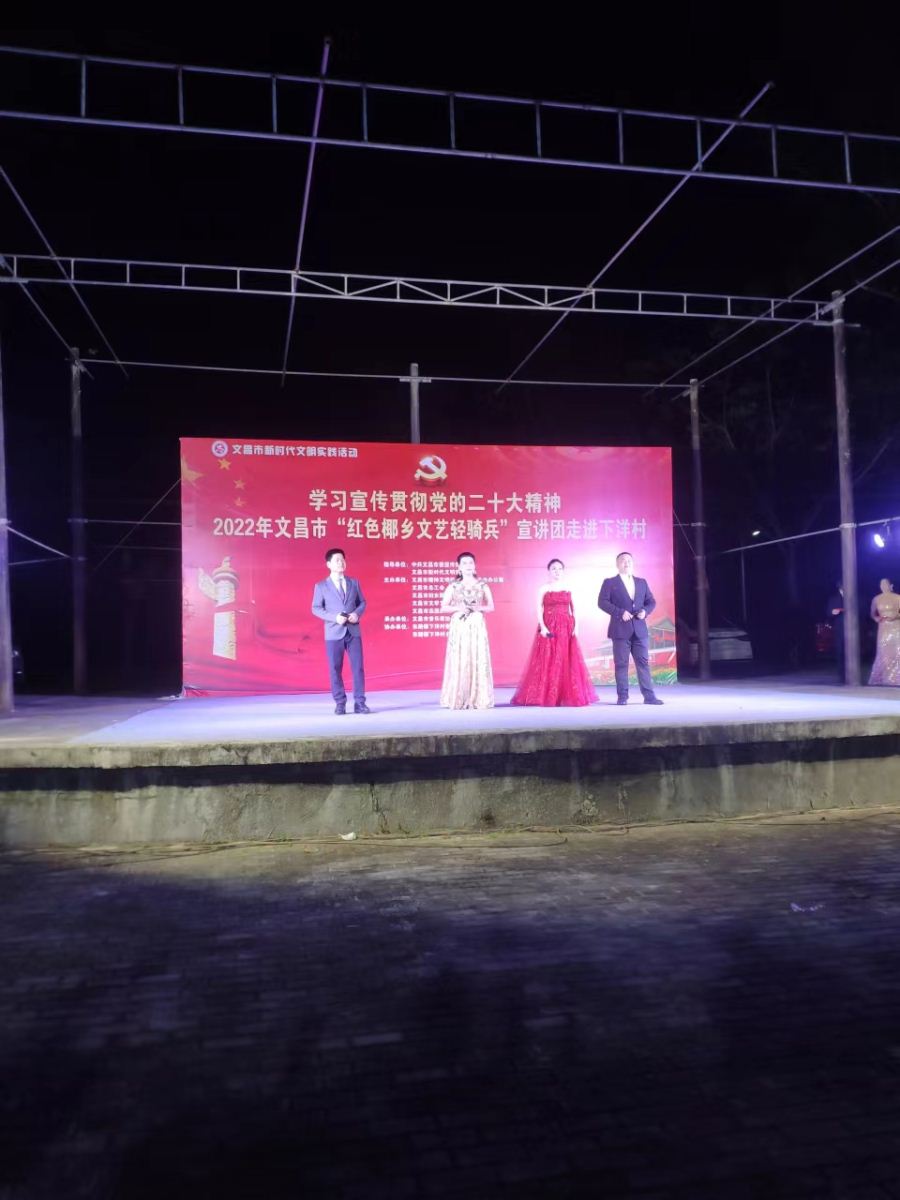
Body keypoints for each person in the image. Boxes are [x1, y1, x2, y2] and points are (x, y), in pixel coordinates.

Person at [511, 558, 597, 706]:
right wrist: (543, 627)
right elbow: (539, 609)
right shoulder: (543, 589)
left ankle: (564, 695)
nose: (557, 571)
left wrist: (576, 627)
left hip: (566, 627)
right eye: (553, 569)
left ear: (563, 571)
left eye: (559, 569)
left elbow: (575, 609)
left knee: (565, 660)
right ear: (549, 571)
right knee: (548, 660)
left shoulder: (569, 588)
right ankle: (548, 695)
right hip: (549, 627)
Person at [598, 551, 663, 705]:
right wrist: (619, 612)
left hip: (640, 630)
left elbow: (651, 602)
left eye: (629, 560)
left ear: (633, 563)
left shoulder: (641, 582)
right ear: (617, 564)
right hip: (620, 630)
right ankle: (622, 697)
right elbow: (602, 602)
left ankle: (649, 696)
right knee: (621, 664)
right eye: (623, 560)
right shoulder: (610, 582)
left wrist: (645, 611)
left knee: (643, 663)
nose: (626, 563)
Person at [311, 548, 370, 714]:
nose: (341, 562)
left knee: (358, 668)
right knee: (335, 669)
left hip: (353, 632)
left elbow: (362, 602)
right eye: (337, 560)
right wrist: (334, 618)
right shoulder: (321, 586)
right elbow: (316, 608)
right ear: (328, 564)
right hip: (333, 633)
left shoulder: (354, 583)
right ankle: (340, 703)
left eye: (343, 559)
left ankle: (360, 703)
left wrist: (356, 614)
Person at [439, 551, 495, 709]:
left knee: (478, 658)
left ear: (475, 565)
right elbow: (443, 607)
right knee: (460, 658)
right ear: (459, 567)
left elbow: (491, 606)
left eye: (471, 562)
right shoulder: (453, 586)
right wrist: (459, 608)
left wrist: (478, 608)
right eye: (464, 563)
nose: (468, 566)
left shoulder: (483, 585)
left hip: (477, 624)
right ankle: (458, 696)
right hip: (460, 625)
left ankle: (479, 697)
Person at [868, 578, 900, 686]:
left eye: (885, 584)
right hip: (883, 628)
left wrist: (896, 616)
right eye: (881, 584)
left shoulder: (898, 597)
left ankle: (897, 678)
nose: (883, 586)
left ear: (891, 585)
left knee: (897, 652)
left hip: (896, 627)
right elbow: (872, 614)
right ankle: (884, 678)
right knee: (884, 652)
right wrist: (876, 618)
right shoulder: (876, 599)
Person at [827, 582, 845, 679]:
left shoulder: (853, 597)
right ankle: (841, 674)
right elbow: (828, 613)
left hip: (852, 628)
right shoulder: (833, 599)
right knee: (840, 651)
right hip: (839, 628)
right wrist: (833, 612)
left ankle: (851, 672)